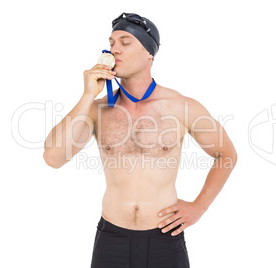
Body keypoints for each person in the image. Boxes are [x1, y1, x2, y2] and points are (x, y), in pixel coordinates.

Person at [43, 12, 238, 268]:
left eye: (125, 42)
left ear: (149, 53)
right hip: (113, 237)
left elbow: (226, 155)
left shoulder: (181, 107)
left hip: (165, 237)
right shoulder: (97, 109)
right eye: (112, 43)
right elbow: (53, 158)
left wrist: (199, 206)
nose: (114, 50)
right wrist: (88, 95)